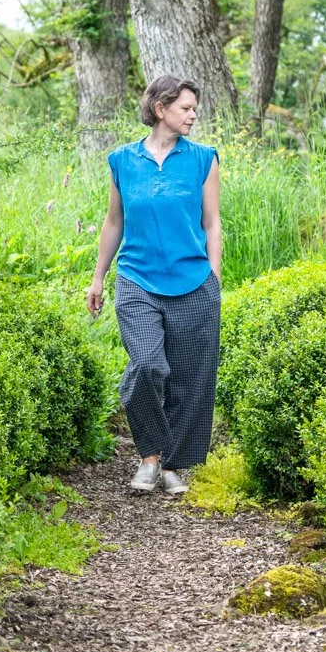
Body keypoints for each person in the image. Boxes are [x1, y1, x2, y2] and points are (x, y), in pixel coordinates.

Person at [86, 75, 222, 494]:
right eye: (185, 108)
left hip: (193, 281)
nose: (193, 114)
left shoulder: (203, 159)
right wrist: (98, 277)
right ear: (160, 109)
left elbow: (212, 222)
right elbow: (114, 221)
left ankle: (171, 467)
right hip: (137, 279)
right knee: (148, 365)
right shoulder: (123, 161)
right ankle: (148, 457)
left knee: (189, 377)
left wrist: (213, 277)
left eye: (194, 108)